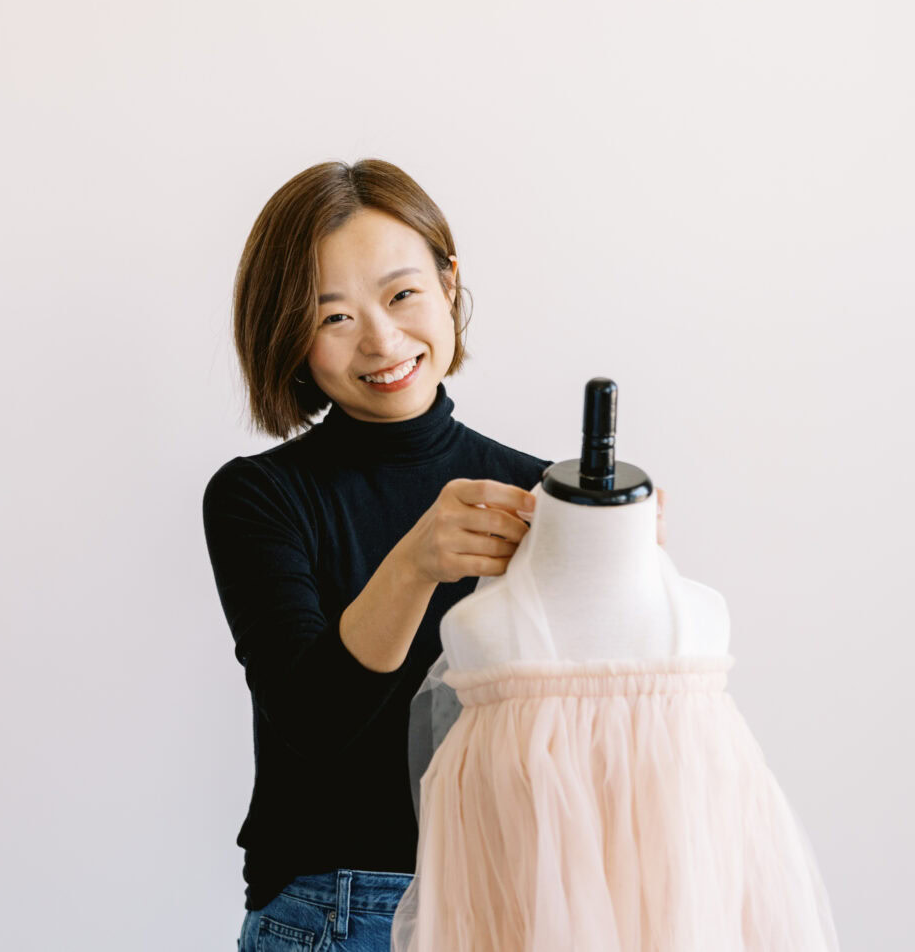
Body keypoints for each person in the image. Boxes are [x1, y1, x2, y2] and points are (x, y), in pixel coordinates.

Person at [202, 159, 665, 951]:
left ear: (450, 283)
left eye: (402, 294)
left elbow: (602, 745)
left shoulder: (536, 495)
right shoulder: (259, 497)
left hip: (521, 900)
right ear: (289, 335)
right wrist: (415, 564)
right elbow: (312, 722)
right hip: (342, 909)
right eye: (333, 316)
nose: (382, 340)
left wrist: (629, 585)